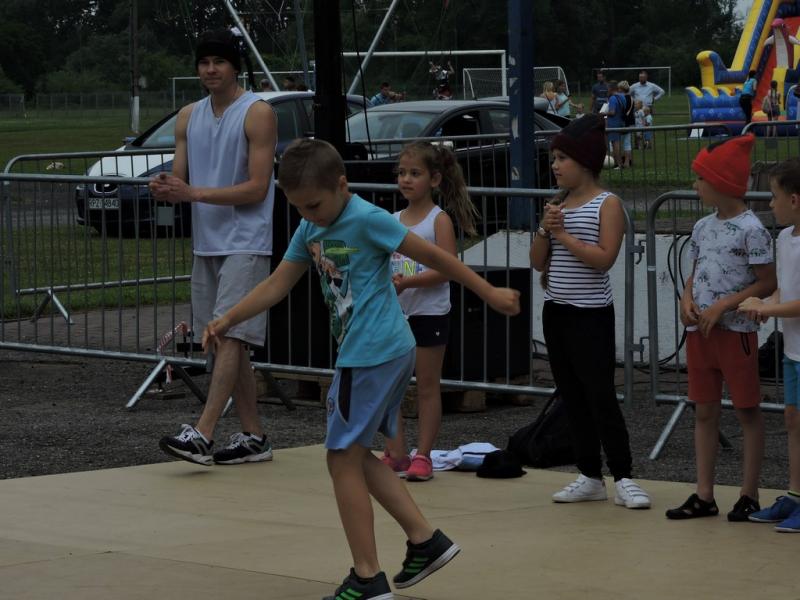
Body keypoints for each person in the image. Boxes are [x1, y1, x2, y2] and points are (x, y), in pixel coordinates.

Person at [202, 138, 520, 599]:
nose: (308, 215)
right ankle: (424, 540)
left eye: (314, 204)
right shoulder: (309, 227)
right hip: (374, 352)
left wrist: (488, 292)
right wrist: (228, 318)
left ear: (341, 184)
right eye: (298, 207)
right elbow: (277, 283)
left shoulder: (368, 218)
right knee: (352, 455)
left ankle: (368, 577)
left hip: (374, 351)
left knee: (340, 458)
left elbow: (436, 257)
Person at [149, 28, 278, 466]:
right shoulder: (188, 115)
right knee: (225, 341)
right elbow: (180, 179)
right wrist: (165, 187)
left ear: (234, 67)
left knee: (229, 334)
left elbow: (257, 187)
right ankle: (254, 436)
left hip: (247, 239)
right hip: (207, 242)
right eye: (204, 62)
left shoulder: (257, 112)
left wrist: (193, 193)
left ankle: (203, 432)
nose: (210, 69)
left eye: (218, 62)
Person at [529, 114, 651, 510]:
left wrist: (562, 234)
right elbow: (537, 261)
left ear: (585, 162)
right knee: (572, 395)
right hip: (557, 311)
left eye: (562, 158)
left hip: (591, 315)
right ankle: (589, 475)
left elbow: (604, 259)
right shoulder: (557, 204)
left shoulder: (607, 204)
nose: (555, 165)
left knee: (600, 396)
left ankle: (624, 476)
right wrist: (545, 229)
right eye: (554, 158)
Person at [665, 134, 777, 521]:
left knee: (747, 411)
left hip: (736, 333)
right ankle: (704, 494)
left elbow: (767, 282)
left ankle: (749, 493)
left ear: (721, 182)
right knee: (704, 411)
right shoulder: (702, 227)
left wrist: (725, 305)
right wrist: (686, 300)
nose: (695, 185)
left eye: (700, 178)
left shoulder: (752, 229)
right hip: (701, 333)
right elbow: (695, 273)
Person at [381, 142, 479, 482]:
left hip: (429, 313)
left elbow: (448, 268)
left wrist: (409, 282)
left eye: (415, 173)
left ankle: (422, 455)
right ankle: (396, 453)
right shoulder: (391, 220)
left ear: (434, 179)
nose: (406, 180)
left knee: (426, 386)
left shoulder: (439, 220)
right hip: (395, 315)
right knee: (389, 387)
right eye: (401, 173)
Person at [739, 158, 800, 533]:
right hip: (794, 350)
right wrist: (763, 302)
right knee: (793, 419)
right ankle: (795, 494)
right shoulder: (784, 238)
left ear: (794, 199)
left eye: (775, 196)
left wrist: (768, 308)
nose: (770, 204)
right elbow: (785, 290)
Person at [604, 80, 626, 169]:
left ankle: (619, 164)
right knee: (618, 143)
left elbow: (612, 112)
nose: (607, 90)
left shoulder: (613, 98)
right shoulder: (622, 96)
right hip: (620, 122)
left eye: (608, 89)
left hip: (613, 123)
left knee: (615, 144)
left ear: (611, 88)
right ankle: (618, 163)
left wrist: (603, 113)